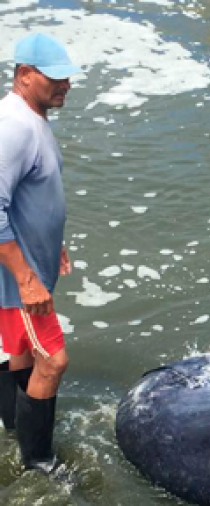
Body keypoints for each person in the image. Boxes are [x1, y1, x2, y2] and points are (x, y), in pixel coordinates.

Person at [0, 32, 81, 473]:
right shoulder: (14, 126)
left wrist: (54, 240)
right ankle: (40, 463)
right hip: (18, 275)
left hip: (25, 263)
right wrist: (28, 278)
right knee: (53, 361)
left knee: (23, 352)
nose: (65, 84)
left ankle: (13, 429)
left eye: (69, 77)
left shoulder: (29, 117)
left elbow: (25, 198)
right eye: (56, 77)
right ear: (25, 74)